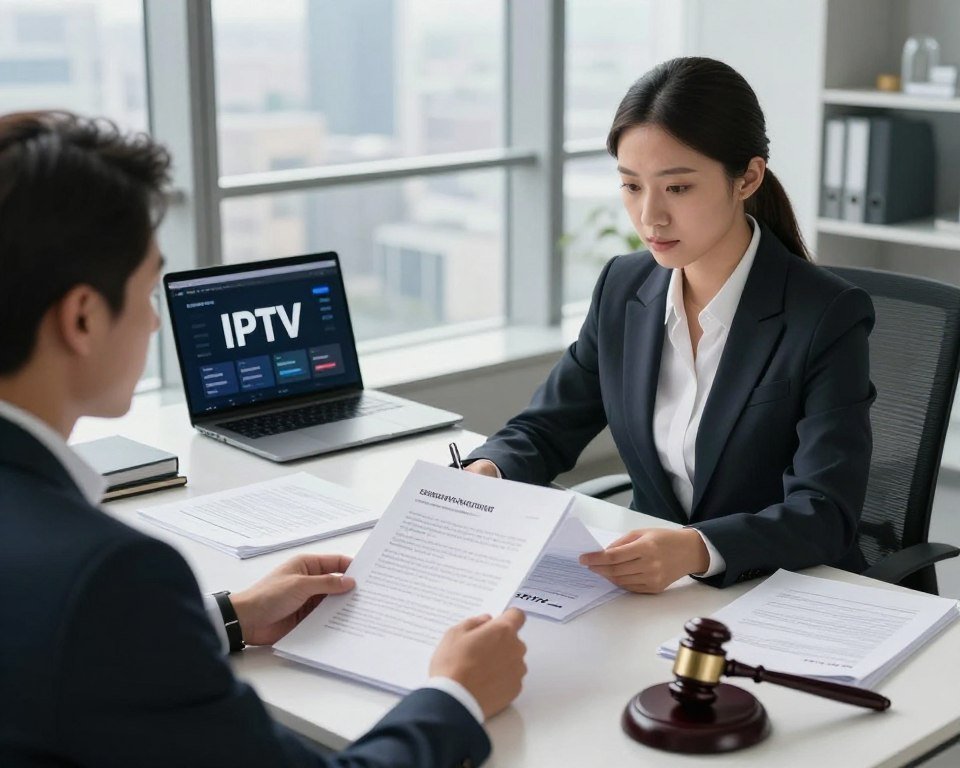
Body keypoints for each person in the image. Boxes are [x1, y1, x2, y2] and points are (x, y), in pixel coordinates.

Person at [0, 111, 527, 768]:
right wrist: (457, 695)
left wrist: (230, 616)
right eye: (145, 289)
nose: (154, 322)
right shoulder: (111, 576)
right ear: (82, 316)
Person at [464, 57, 875, 592]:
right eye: (632, 186)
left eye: (677, 188)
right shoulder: (624, 287)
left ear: (747, 177)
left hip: (780, 592)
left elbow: (825, 513)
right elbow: (545, 428)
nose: (650, 216)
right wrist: (487, 473)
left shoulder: (826, 315)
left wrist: (697, 548)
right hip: (651, 594)